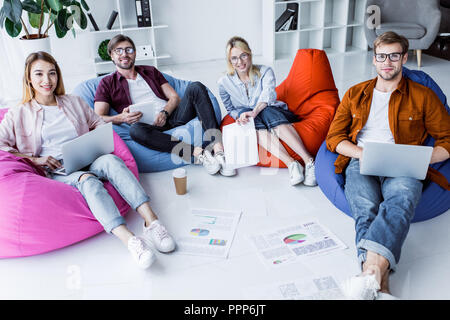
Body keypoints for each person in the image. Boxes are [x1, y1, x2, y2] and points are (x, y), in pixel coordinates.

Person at [0, 51, 177, 269]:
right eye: (39, 74)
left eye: (52, 73)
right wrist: (35, 159)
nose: (46, 81)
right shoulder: (18, 113)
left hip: (87, 156)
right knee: (88, 181)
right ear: (29, 78)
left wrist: (95, 141)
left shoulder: (74, 101)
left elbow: (98, 123)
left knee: (113, 162)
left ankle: (152, 222)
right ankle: (131, 240)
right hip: (58, 170)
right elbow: (2, 146)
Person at [326, 31, 450, 299]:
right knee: (365, 206)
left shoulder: (423, 95)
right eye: (381, 56)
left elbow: (448, 139)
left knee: (402, 200)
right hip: (362, 160)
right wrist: (361, 153)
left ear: (404, 58)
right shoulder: (355, 94)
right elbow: (334, 138)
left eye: (394, 56)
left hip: (404, 164)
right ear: (374, 59)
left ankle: (367, 275)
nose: (387, 62)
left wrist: (422, 157)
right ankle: (379, 284)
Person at [94, 34, 235, 177]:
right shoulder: (106, 83)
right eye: (118, 50)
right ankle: (197, 153)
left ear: (135, 53)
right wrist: (122, 118)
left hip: (172, 117)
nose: (124, 54)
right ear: (112, 55)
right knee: (135, 130)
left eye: (129, 50)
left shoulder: (150, 71)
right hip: (147, 128)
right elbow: (98, 118)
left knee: (196, 87)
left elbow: (174, 97)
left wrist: (165, 112)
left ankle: (218, 150)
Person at [217, 36, 317, 186]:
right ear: (230, 61)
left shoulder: (265, 71)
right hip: (254, 118)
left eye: (243, 55)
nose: (240, 62)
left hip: (273, 112)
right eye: (234, 58)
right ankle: (292, 164)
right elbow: (230, 108)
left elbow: (268, 96)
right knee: (251, 122)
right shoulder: (223, 82)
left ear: (249, 54)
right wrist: (240, 116)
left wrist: (254, 111)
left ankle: (309, 161)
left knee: (266, 111)